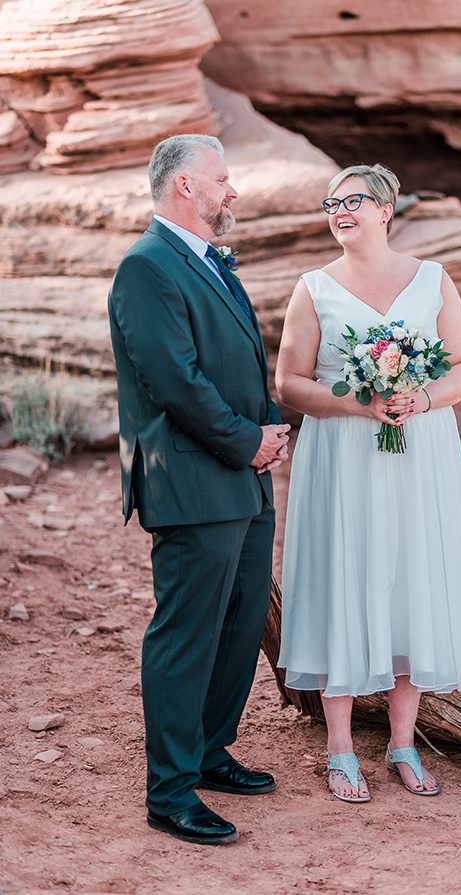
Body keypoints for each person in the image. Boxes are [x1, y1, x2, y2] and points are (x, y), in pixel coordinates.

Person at [275, 164, 461, 802]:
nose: (341, 211)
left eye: (355, 201)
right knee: (344, 571)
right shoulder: (312, 287)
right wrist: (359, 403)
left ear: (387, 210)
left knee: (411, 575)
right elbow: (288, 383)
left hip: (419, 451)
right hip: (342, 454)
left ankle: (402, 741)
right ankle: (340, 748)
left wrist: (420, 400)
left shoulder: (432, 280)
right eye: (331, 203)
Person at [108, 134, 290, 844]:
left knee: (242, 621)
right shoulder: (146, 267)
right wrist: (247, 439)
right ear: (186, 186)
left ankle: (211, 750)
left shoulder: (207, 263)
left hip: (242, 475)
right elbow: (174, 379)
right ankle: (171, 790)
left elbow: (239, 360)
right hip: (190, 475)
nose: (232, 191)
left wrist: (268, 429)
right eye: (222, 179)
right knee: (186, 632)